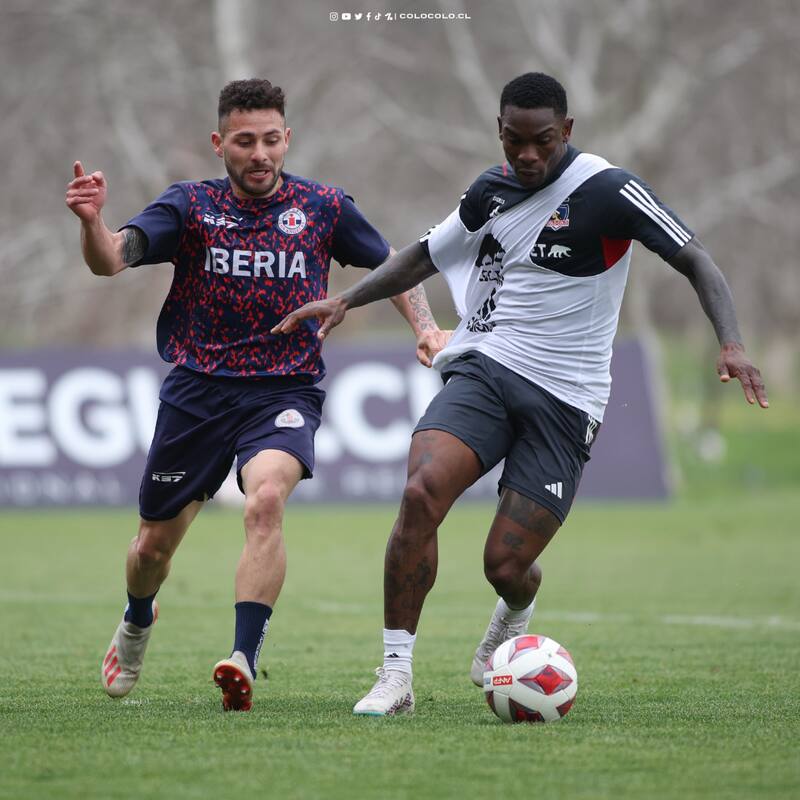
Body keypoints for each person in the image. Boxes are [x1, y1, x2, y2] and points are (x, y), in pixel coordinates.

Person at [272, 72, 769, 717]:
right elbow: (425, 253)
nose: (527, 156)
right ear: (500, 133)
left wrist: (731, 342)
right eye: (514, 142)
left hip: (567, 398)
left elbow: (697, 258)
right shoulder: (491, 190)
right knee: (421, 491)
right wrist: (346, 298)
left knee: (504, 565)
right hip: (490, 365)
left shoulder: (609, 191)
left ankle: (515, 613)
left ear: (567, 131)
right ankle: (395, 677)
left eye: (541, 142)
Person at [65, 78, 447, 712]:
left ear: (287, 139)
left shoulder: (322, 206)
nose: (260, 154)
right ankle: (137, 619)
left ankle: (242, 657)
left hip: (284, 390)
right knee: (150, 551)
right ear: (220, 143)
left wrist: (428, 328)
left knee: (265, 498)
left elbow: (394, 266)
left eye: (272, 140)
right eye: (245, 141)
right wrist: (93, 222)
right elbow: (111, 260)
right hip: (196, 393)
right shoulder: (189, 206)